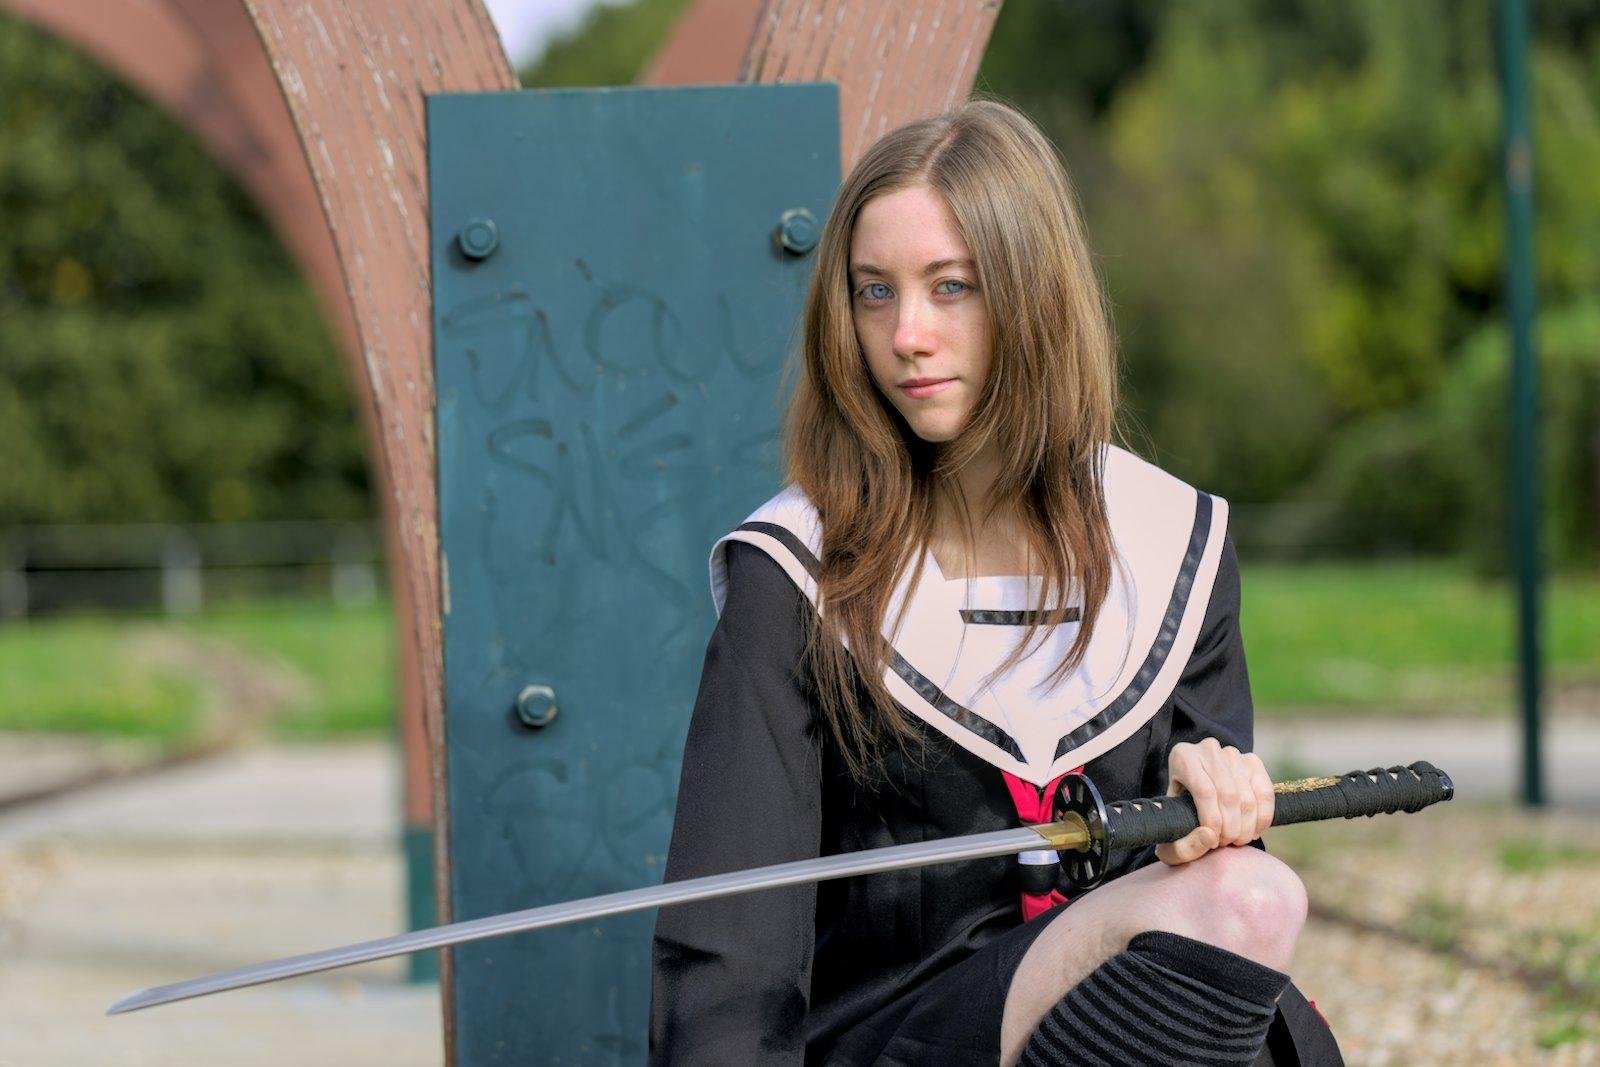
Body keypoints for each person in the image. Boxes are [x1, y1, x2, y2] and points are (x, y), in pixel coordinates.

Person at [649, 96, 1343, 1066]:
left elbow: (1203, 940)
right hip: (900, 1043)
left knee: (1244, 898)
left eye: (952, 287)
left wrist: (1215, 815)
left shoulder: (1169, 545)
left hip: (1123, 1030)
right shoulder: (797, 571)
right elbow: (730, 955)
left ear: (1032, 293)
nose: (907, 335)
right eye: (874, 292)